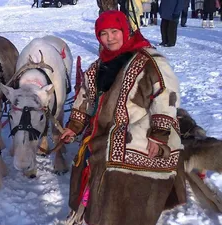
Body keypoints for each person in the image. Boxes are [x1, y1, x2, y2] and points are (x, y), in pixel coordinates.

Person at [62, 10, 185, 225]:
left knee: (119, 160)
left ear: (125, 31)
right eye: (103, 34)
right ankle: (91, 210)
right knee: (87, 153)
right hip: (105, 129)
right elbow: (86, 98)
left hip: (141, 126)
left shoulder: (149, 60)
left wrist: (159, 134)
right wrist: (74, 126)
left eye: (114, 32)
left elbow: (167, 94)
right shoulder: (98, 67)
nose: (109, 39)